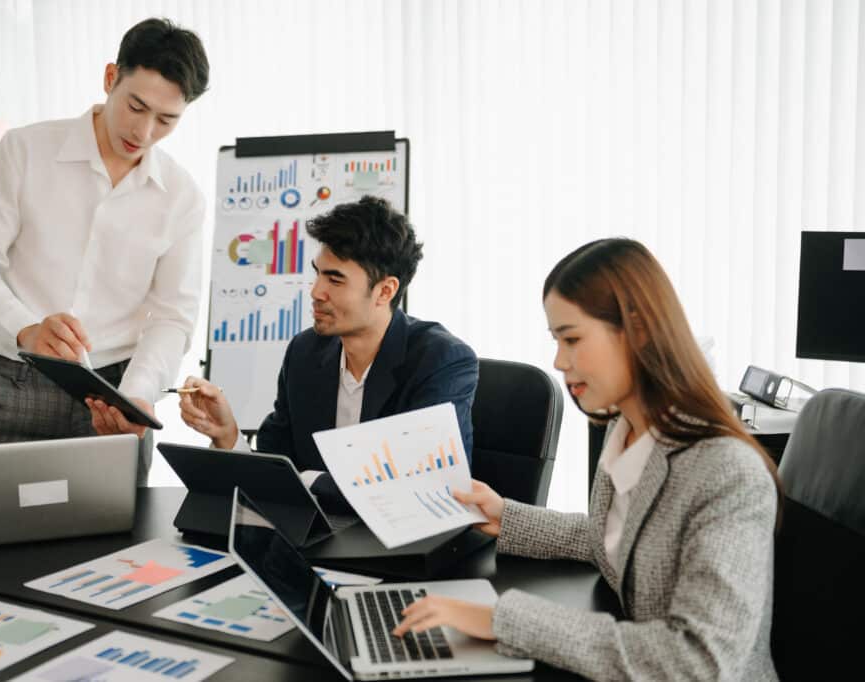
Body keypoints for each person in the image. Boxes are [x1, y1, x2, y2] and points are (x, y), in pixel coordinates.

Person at [393, 238, 780, 680]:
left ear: (638, 330)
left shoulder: (725, 472)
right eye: (556, 340)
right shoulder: (625, 430)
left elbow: (697, 661)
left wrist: (500, 618)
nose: (559, 361)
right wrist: (508, 517)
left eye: (572, 338)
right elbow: (615, 540)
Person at [0, 18, 209, 483]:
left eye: (166, 120)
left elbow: (173, 317)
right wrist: (25, 328)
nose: (144, 132)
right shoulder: (25, 150)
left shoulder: (182, 196)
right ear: (111, 78)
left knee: (116, 551)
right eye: (136, 106)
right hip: (17, 381)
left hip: (116, 395)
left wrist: (139, 397)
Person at [94, 196, 479, 511]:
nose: (315, 292)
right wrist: (229, 436)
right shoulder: (306, 353)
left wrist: (305, 481)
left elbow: (421, 492)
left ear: (384, 290)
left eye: (335, 279)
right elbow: (276, 467)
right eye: (317, 273)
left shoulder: (441, 361)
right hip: (313, 546)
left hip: (402, 559)